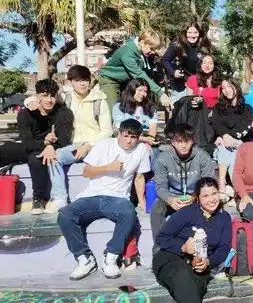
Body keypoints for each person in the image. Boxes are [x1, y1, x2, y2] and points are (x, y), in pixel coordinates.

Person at [56, 119, 149, 280]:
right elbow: (86, 172)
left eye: (133, 137)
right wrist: (108, 167)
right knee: (65, 215)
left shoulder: (141, 150)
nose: (129, 140)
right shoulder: (104, 144)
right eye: (126, 136)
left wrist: (142, 203)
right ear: (118, 134)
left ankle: (111, 256)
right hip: (92, 195)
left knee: (128, 212)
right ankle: (85, 259)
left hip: (118, 198)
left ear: (138, 137)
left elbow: (139, 177)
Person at [155, 177, 232, 303]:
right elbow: (162, 238)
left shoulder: (224, 218)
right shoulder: (187, 213)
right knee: (184, 277)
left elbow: (223, 249)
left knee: (190, 289)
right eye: (205, 196)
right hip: (171, 259)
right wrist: (182, 247)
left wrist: (208, 262)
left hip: (200, 265)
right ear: (197, 198)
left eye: (214, 193)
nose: (211, 199)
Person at [0, 79, 73, 214]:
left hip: (52, 147)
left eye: (52, 95)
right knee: (4, 149)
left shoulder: (64, 113)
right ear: (37, 96)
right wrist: (44, 143)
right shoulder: (25, 113)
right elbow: (26, 141)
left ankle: (38, 200)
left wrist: (50, 146)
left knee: (36, 158)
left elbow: (64, 140)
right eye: (44, 96)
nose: (49, 100)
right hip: (32, 145)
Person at [47, 65, 113, 211]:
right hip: (74, 147)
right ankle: (60, 198)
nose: (83, 84)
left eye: (85, 80)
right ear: (70, 82)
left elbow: (107, 131)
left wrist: (88, 145)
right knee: (55, 156)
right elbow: (45, 97)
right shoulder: (66, 98)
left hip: (96, 147)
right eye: (78, 80)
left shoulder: (99, 100)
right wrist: (29, 101)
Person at [150, 124, 216, 247]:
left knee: (211, 205)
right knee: (156, 208)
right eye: (179, 141)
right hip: (172, 196)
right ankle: (159, 248)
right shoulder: (162, 159)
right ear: (173, 142)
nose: (183, 145)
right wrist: (170, 199)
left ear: (193, 140)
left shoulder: (202, 157)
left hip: (196, 196)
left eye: (187, 141)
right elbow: (160, 187)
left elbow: (209, 183)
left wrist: (195, 197)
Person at [97, 30, 170, 110]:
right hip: (109, 80)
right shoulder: (127, 54)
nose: (153, 52)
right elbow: (139, 75)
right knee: (114, 111)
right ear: (142, 43)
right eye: (151, 48)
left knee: (130, 109)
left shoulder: (141, 53)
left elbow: (146, 74)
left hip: (124, 81)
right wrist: (160, 93)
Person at [209, 78, 253, 199]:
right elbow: (216, 124)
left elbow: (245, 126)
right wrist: (224, 136)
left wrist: (230, 137)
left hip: (241, 142)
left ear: (236, 87)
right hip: (223, 144)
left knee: (232, 149)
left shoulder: (247, 108)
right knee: (225, 148)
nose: (226, 90)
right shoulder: (218, 107)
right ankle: (227, 185)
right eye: (223, 88)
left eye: (229, 86)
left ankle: (226, 186)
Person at [162, 23, 212, 102]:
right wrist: (173, 72)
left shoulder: (204, 46)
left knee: (197, 111)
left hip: (199, 85)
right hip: (181, 85)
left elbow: (210, 64)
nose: (192, 35)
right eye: (189, 32)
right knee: (181, 111)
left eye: (195, 32)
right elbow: (165, 60)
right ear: (185, 33)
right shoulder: (176, 45)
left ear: (199, 33)